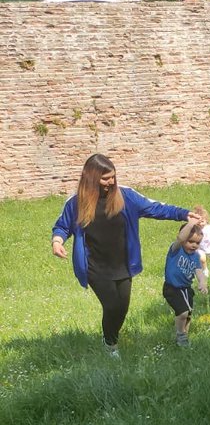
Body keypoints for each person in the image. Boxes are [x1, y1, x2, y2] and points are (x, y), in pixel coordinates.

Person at [51, 153, 196, 357]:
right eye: (105, 178)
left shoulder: (125, 196)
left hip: (123, 264)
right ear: (92, 177)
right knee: (111, 305)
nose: (111, 182)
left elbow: (154, 208)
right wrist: (57, 241)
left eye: (113, 176)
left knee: (122, 307)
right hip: (94, 266)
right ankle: (111, 345)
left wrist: (183, 214)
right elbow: (62, 225)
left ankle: (110, 337)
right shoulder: (76, 202)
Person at [162, 222, 208, 348]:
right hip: (172, 288)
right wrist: (191, 223)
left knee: (188, 314)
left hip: (186, 289)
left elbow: (199, 271)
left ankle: (183, 338)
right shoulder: (176, 249)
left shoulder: (195, 256)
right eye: (190, 241)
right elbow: (181, 238)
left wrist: (202, 282)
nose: (194, 245)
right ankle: (180, 334)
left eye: (197, 243)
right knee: (182, 312)